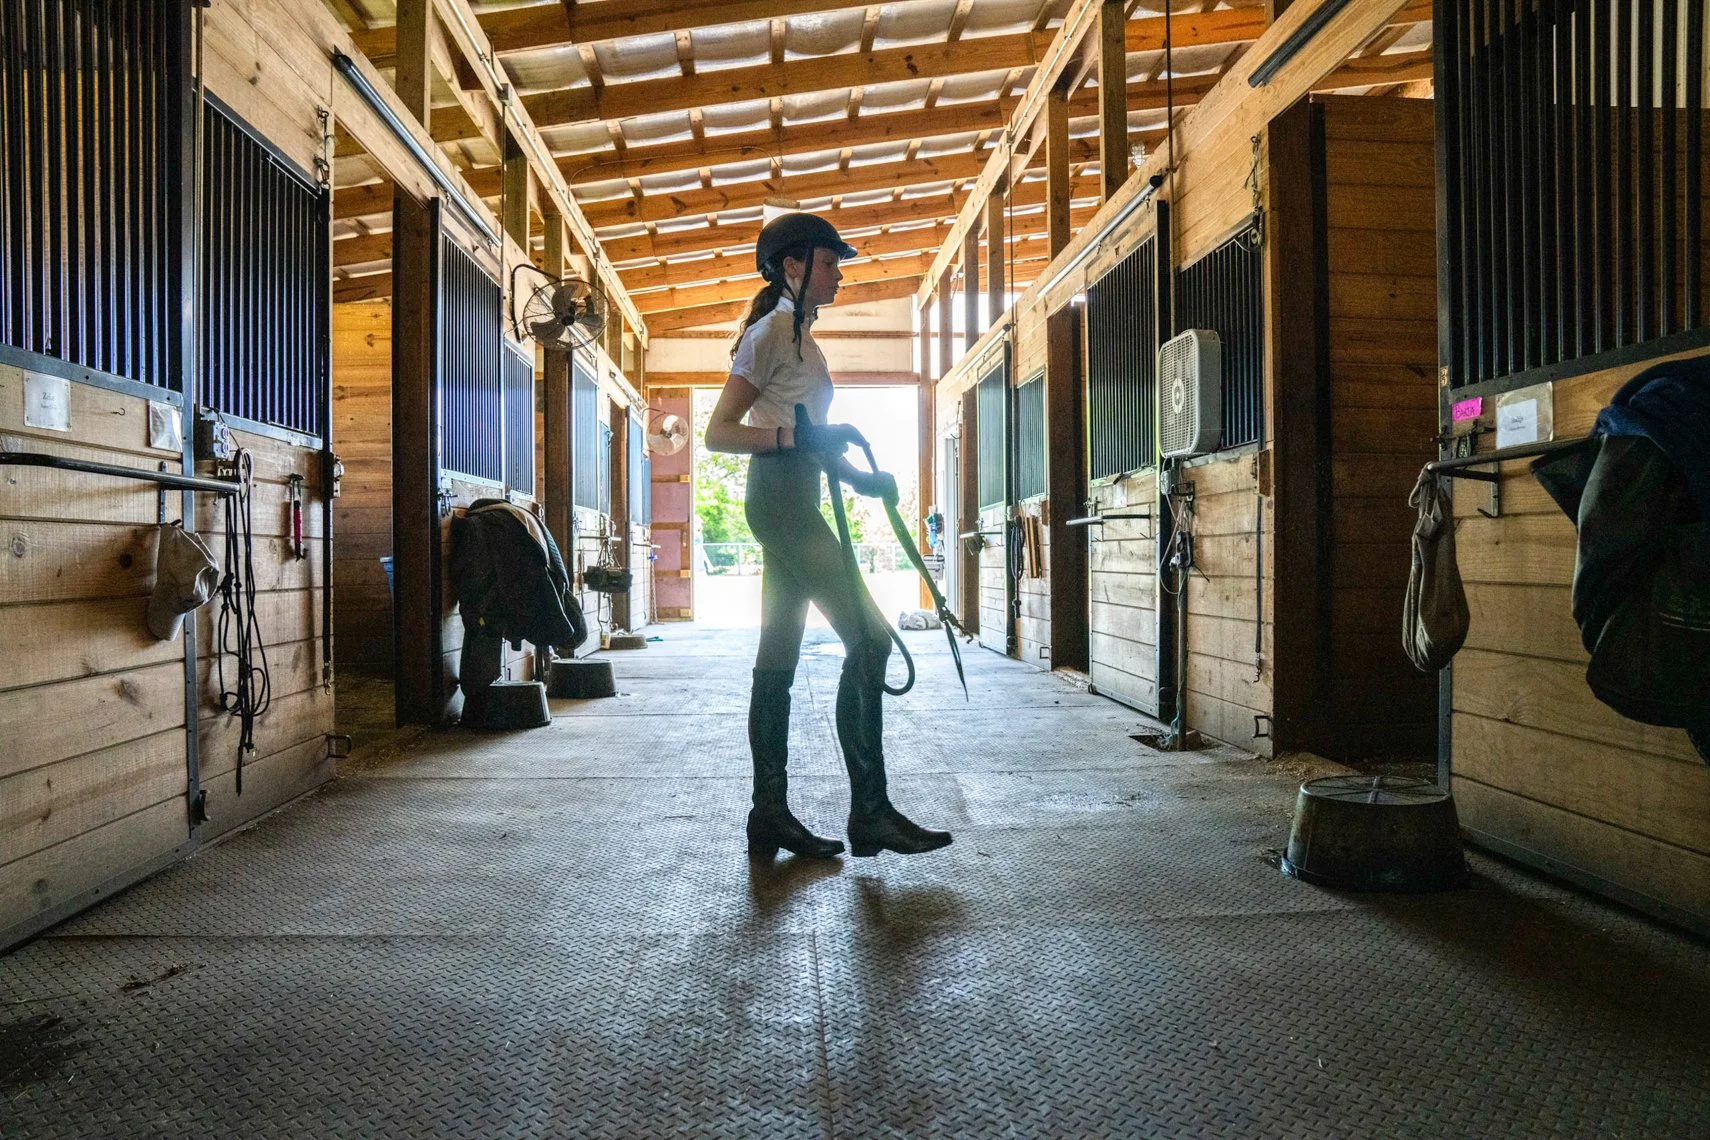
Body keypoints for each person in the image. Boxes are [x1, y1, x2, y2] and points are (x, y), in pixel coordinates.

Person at [704, 212, 953, 860]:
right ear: (794, 266)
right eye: (828, 262)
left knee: (777, 658)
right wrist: (797, 438)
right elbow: (720, 433)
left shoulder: (805, 342)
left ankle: (769, 815)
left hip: (796, 497)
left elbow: (808, 436)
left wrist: (863, 481)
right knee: (869, 640)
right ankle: (870, 813)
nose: (838, 272)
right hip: (781, 503)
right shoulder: (768, 335)